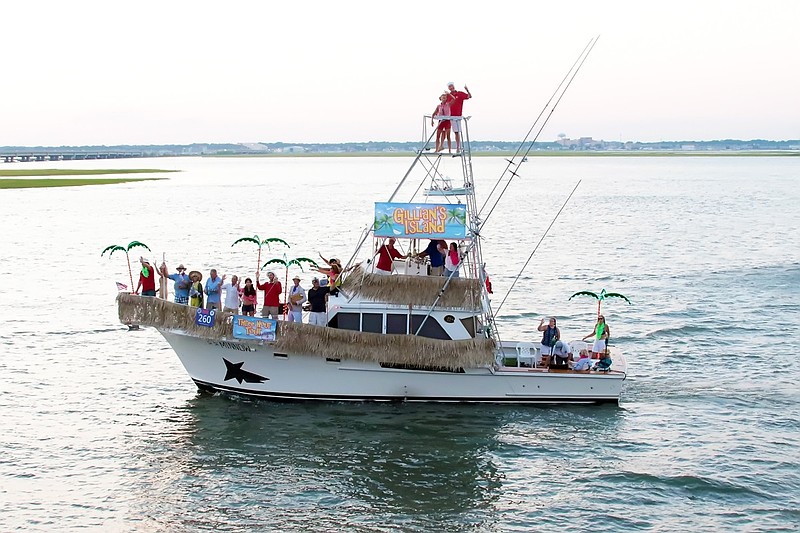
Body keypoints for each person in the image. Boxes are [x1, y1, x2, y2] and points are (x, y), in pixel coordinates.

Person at [447, 82, 472, 153]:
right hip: (449, 116)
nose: (451, 87)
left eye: (452, 86)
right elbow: (443, 102)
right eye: (449, 87)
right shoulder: (447, 95)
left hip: (457, 116)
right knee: (446, 131)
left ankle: (458, 147)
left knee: (457, 132)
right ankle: (446, 147)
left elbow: (469, 96)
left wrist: (467, 90)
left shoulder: (460, 94)